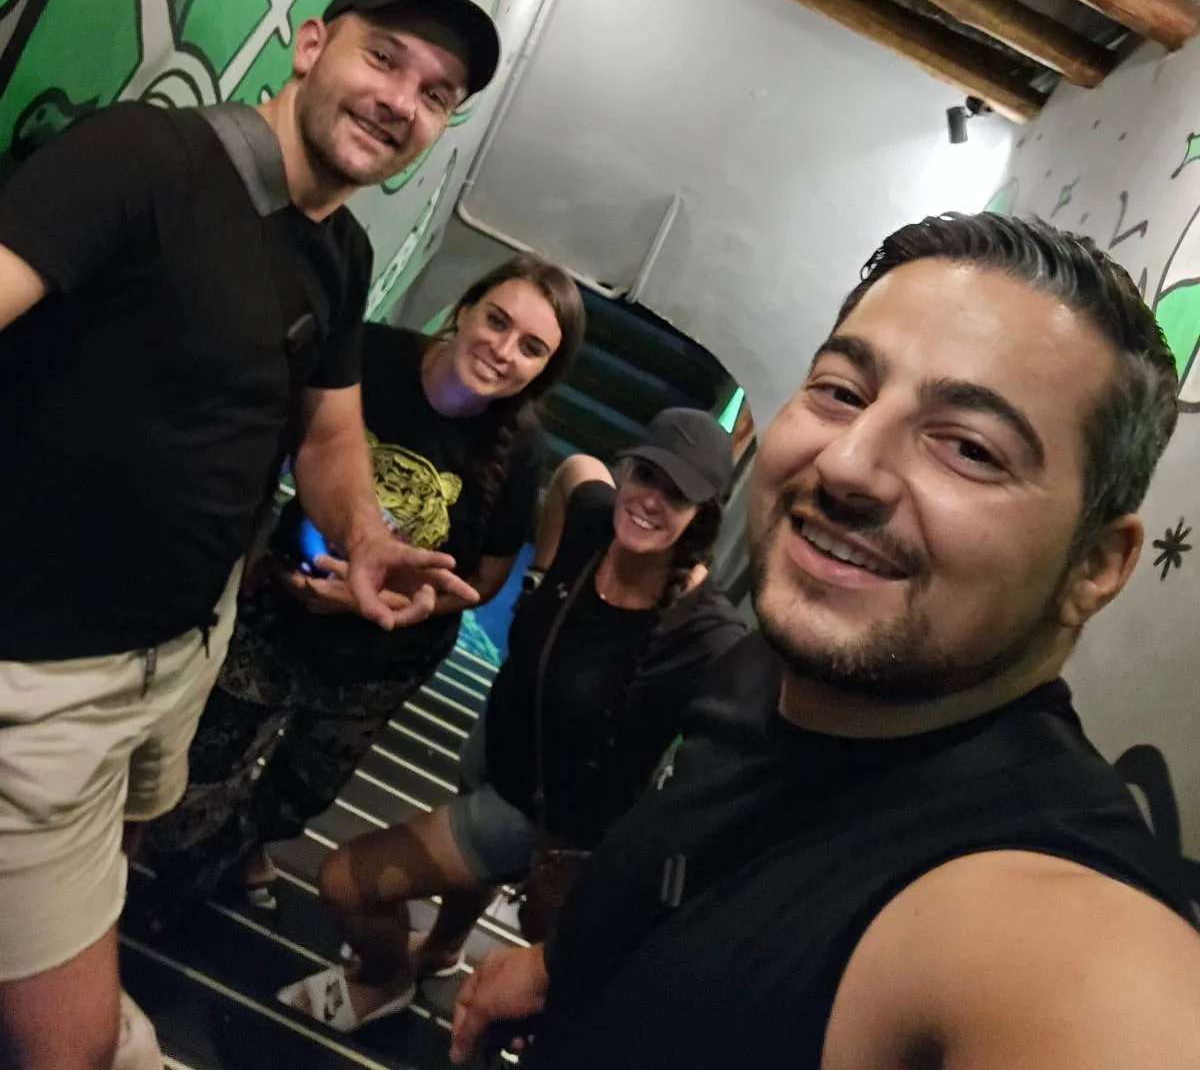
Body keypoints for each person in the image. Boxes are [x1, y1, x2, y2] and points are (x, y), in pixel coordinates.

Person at [451, 213, 1200, 1070]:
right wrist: (561, 966)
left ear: (1096, 566)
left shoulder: (1056, 928)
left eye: (968, 447)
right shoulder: (761, 672)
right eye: (841, 391)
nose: (846, 465)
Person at [0, 0, 499, 1070]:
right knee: (72, 1046)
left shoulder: (340, 248)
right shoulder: (149, 159)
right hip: (42, 675)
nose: (402, 100)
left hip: (182, 649)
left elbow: (325, 437)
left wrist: (367, 539)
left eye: (438, 91)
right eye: (386, 57)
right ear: (311, 43)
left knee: (123, 850)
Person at [142, 253, 585, 916]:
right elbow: (274, 447)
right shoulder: (370, 358)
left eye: (531, 348)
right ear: (465, 309)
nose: (502, 350)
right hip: (278, 611)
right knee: (196, 779)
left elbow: (484, 579)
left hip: (381, 660)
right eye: (496, 320)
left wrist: (393, 603)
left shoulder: (520, 447)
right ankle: (181, 883)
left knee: (300, 796)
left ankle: (243, 851)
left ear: (543, 370)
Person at [278, 408, 745, 1032]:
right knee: (462, 866)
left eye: (677, 493)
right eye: (646, 475)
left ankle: (384, 978)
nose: (650, 501)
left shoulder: (707, 637)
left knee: (343, 881)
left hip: (540, 820)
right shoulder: (590, 521)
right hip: (495, 748)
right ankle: (442, 952)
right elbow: (575, 473)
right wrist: (539, 577)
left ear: (704, 516)